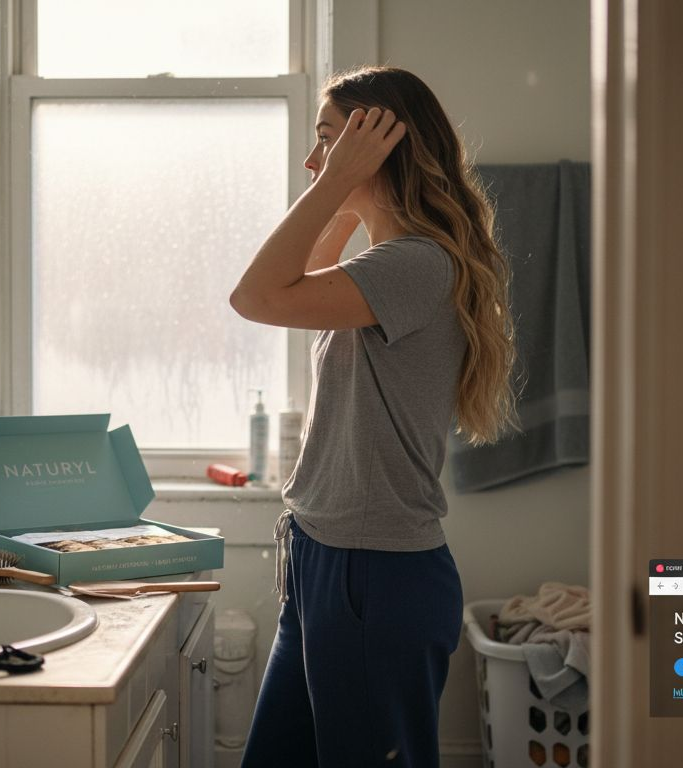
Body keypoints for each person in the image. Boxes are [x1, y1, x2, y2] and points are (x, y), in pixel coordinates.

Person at [229, 66, 516, 767]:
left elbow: (255, 296)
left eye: (324, 141)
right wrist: (350, 197)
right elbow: (289, 290)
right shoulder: (388, 260)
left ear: (376, 149)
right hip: (325, 560)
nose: (310, 161)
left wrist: (336, 183)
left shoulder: (416, 265)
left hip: (374, 575)